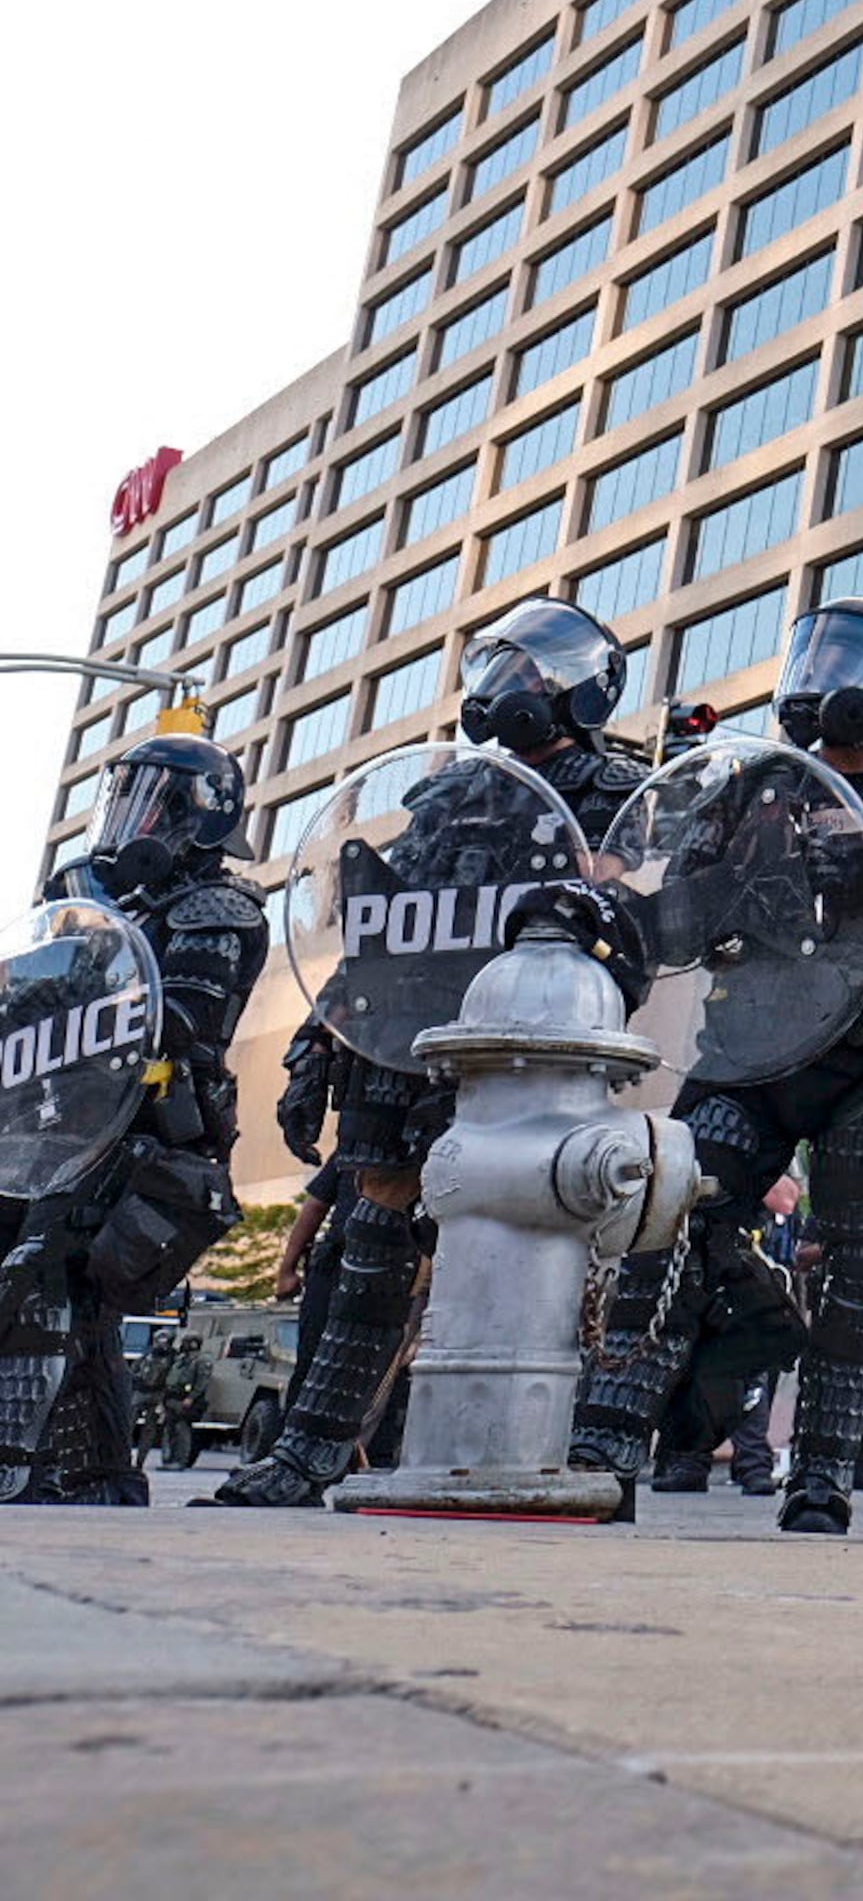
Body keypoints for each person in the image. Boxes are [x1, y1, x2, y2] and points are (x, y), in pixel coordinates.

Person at [217, 601, 651, 1506]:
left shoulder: (615, 793)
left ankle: (569, 1448)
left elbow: (627, 922)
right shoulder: (446, 793)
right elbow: (379, 933)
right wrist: (318, 1040)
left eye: (529, 674)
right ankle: (311, 1450)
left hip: (520, 1044)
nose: (508, 690)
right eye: (501, 670)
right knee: (371, 1239)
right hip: (405, 1041)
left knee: (538, 1241)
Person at [571, 599, 863, 1531]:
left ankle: (821, 1475)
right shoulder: (750, 788)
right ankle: (607, 1452)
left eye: (854, 659)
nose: (830, 676)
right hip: (749, 1049)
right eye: (819, 655)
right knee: (670, 1221)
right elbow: (679, 922)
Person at [0, 736, 267, 1502]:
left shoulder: (218, 908)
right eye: (128, 797)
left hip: (154, 1131)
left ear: (203, 819)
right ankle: (95, 1473)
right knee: (65, 1299)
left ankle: (60, 1469)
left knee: (49, 1280)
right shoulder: (112, 913)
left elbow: (185, 1016)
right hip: (64, 1129)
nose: (132, 818)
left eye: (157, 803)